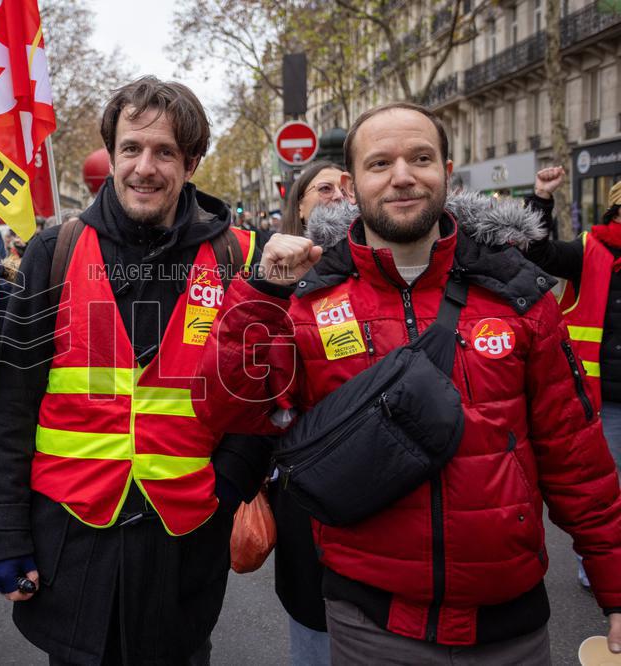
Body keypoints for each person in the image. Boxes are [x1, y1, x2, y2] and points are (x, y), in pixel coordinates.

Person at [194, 102, 621, 662]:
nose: (402, 175)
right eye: (380, 162)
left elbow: (577, 456)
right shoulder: (306, 300)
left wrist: (614, 591)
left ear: (448, 167)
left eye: (420, 157)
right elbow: (225, 410)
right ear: (352, 183)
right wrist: (259, 296)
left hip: (511, 623)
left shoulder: (519, 295)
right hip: (369, 622)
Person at [0, 76, 272, 664]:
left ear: (191, 163)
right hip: (69, 535)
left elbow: (260, 397)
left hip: (184, 539)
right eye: (132, 149)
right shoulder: (53, 251)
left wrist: (228, 485)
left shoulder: (241, 255)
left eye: (165, 152)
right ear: (111, 156)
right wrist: (4, 535)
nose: (145, 167)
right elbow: (10, 404)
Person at [522, 169, 621, 590]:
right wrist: (542, 199)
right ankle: (599, 564)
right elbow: (536, 252)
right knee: (605, 491)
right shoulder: (590, 249)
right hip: (602, 398)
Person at [265, 159, 347, 666]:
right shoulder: (276, 273)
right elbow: (246, 379)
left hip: (385, 487)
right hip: (305, 485)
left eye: (348, 185)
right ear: (299, 205)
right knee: (315, 629)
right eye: (324, 188)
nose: (339, 195)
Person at [281, 160, 345, 236]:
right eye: (325, 188)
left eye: (345, 190)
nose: (340, 195)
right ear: (299, 207)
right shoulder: (280, 247)